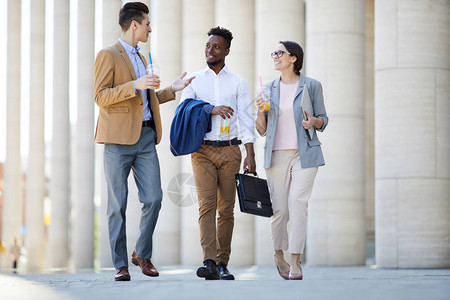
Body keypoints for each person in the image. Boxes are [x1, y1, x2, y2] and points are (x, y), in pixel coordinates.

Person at [94, 2, 194, 281]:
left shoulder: (143, 56)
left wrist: (171, 90)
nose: (151, 28)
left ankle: (141, 253)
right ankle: (120, 264)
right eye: (147, 23)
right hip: (117, 140)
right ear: (134, 24)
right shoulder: (108, 54)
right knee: (118, 205)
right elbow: (101, 97)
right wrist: (134, 86)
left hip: (147, 136)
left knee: (155, 198)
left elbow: (145, 101)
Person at [181, 26, 256, 280]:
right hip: (202, 150)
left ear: (226, 51)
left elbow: (246, 120)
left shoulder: (238, 82)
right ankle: (209, 261)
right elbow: (185, 110)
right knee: (206, 206)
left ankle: (223, 263)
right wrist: (210, 109)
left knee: (226, 209)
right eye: (207, 46)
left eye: (215, 47)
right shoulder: (194, 80)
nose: (210, 50)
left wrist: (250, 153)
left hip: (230, 150)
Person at [255, 41, 328, 280]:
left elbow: (323, 120)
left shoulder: (312, 85)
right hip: (276, 154)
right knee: (280, 210)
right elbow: (262, 130)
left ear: (293, 58)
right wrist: (259, 111)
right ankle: (279, 254)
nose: (275, 56)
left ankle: (295, 260)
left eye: (280, 53)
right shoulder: (267, 89)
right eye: (273, 53)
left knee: (298, 202)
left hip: (304, 153)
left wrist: (312, 122)